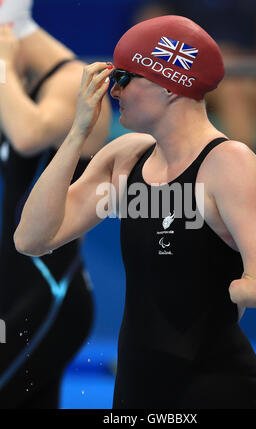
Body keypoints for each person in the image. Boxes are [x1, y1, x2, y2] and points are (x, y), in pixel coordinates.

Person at [15, 15, 256, 409]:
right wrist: (77, 134)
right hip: (137, 388)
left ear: (169, 86)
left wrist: (230, 292)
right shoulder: (126, 159)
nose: (112, 91)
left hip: (216, 388)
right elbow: (32, 239)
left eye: (122, 77)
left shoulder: (229, 164)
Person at [0, 0, 111, 409]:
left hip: (48, 294)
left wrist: (0, 66)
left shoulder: (72, 82)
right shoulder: (14, 81)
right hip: (11, 290)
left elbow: (29, 135)